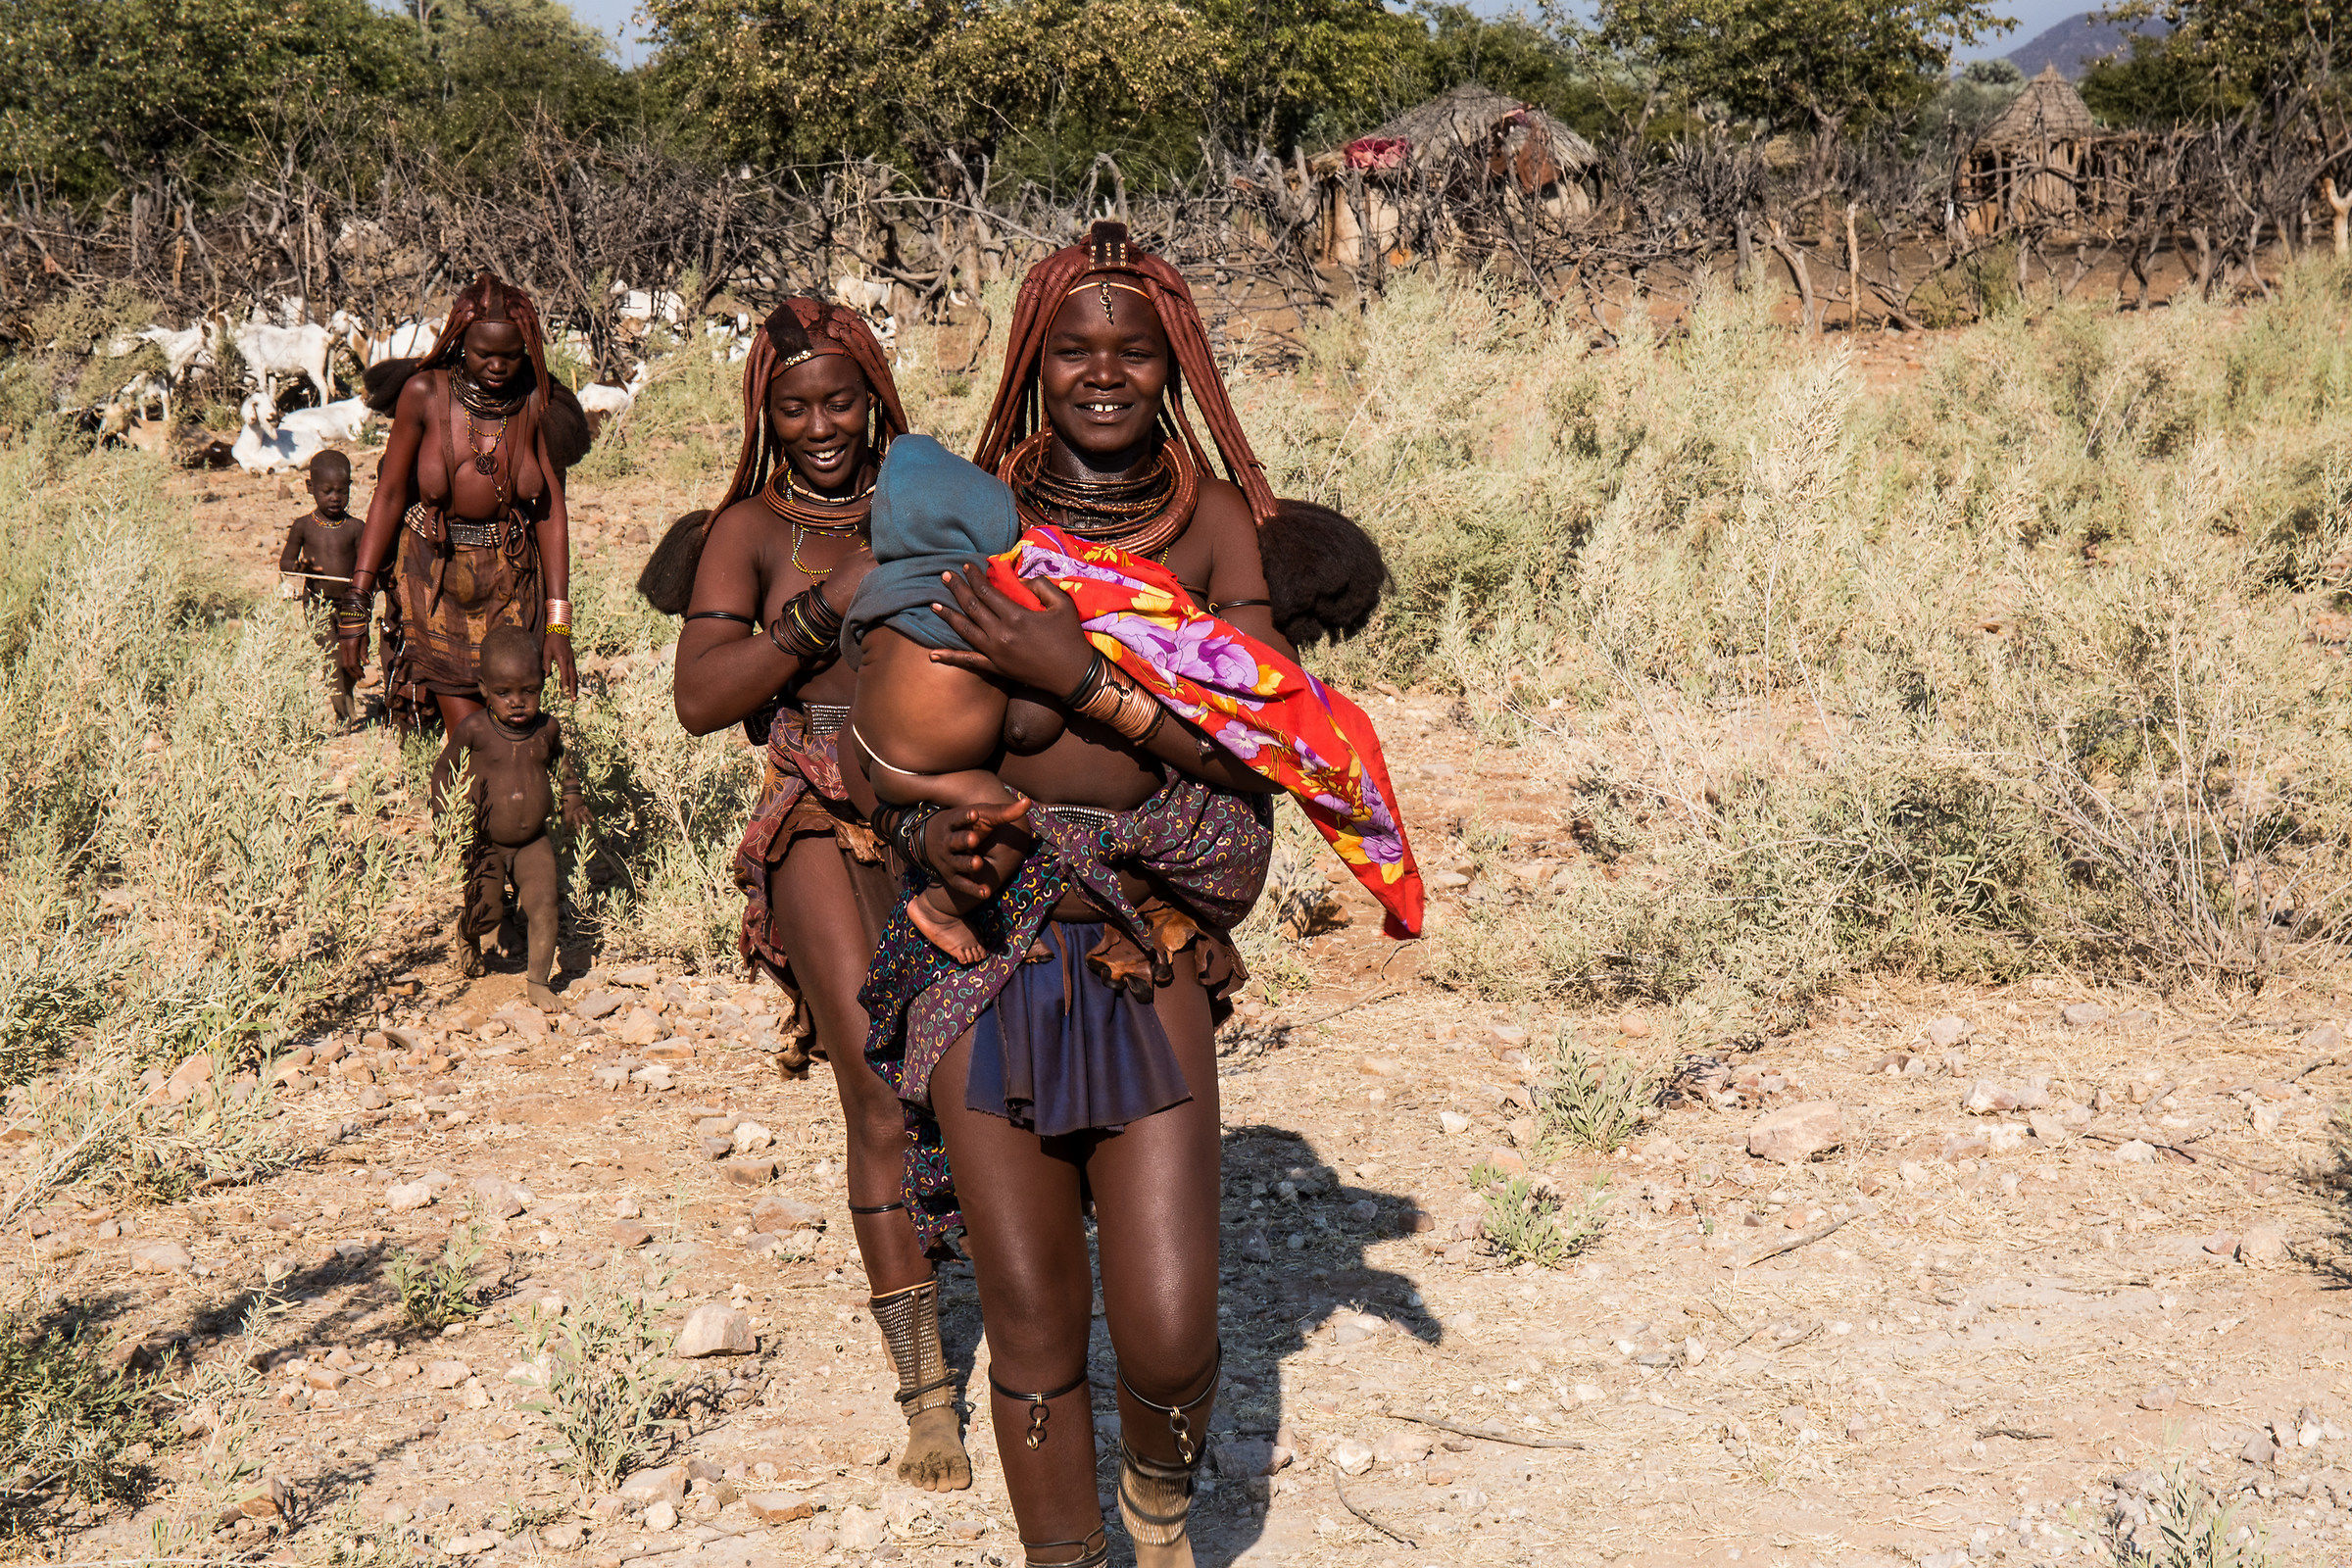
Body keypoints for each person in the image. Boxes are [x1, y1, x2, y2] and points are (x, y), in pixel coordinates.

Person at [847, 221, 1410, 1568]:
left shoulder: (1213, 522)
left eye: (1135, 353)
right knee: (1036, 1328)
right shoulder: (971, 520)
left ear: (1175, 369)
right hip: (992, 951)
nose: (1104, 375)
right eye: (1075, 350)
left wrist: (1079, 676)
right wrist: (933, 845)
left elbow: (1267, 740)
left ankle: (1161, 1494)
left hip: (1140, 945)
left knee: (1168, 1330)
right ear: (1035, 364)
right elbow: (887, 749)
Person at [650, 300, 973, 1493]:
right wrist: (828, 607)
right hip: (821, 817)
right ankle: (927, 1391)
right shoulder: (749, 531)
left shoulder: (930, 494)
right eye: (795, 406)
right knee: (878, 1091)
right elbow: (700, 696)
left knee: (975, 1075)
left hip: (942, 801)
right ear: (763, 414)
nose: (821, 425)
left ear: (877, 396)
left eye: (842, 400)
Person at [346, 273, 590, 800]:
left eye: (512, 356)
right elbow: (388, 495)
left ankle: (510, 832)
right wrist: (357, 598)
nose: (498, 367)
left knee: (512, 715)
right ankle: (475, 838)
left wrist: (559, 625)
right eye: (483, 355)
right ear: (460, 342)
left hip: (509, 577)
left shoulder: (536, 405)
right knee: (472, 736)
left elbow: (552, 515)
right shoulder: (424, 395)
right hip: (431, 576)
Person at [447, 625, 589, 1007]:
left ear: (541, 684)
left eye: (529, 691)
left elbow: (562, 764)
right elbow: (444, 769)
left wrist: (572, 800)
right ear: (483, 689)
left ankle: (538, 982)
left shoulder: (547, 729)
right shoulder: (475, 729)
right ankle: (467, 933)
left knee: (544, 905)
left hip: (533, 841)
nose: (517, 702)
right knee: (485, 910)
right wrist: (446, 815)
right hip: (486, 841)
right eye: (503, 693)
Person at [276, 450, 368, 722]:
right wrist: (302, 568)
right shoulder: (303, 526)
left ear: (350, 488)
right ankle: (344, 717)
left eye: (341, 491)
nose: (334, 498)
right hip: (317, 603)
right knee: (332, 658)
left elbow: (365, 567)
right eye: (326, 491)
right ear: (309, 488)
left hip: (351, 604)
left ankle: (346, 704)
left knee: (350, 660)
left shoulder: (355, 527)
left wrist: (367, 588)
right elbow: (286, 562)